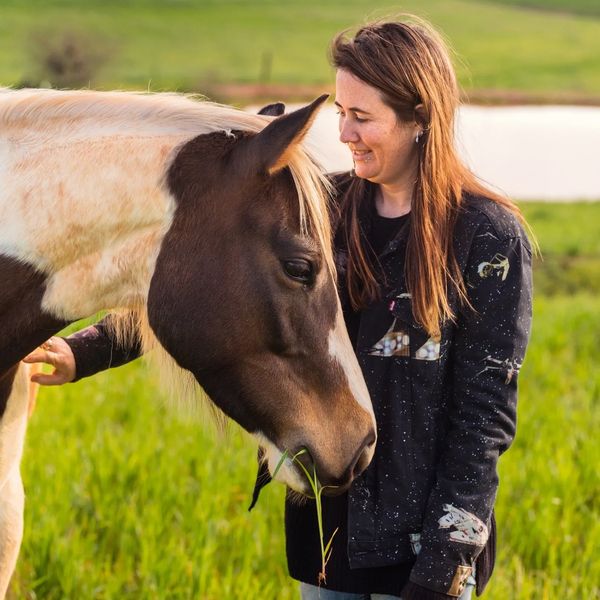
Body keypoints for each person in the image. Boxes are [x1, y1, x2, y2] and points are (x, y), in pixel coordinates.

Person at [25, 16, 532, 600]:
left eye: (362, 117)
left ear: (420, 118)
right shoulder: (321, 208)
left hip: (426, 555)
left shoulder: (487, 239)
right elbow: (210, 292)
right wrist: (82, 350)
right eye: (340, 111)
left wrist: (445, 568)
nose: (345, 133)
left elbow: (483, 418)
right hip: (325, 538)